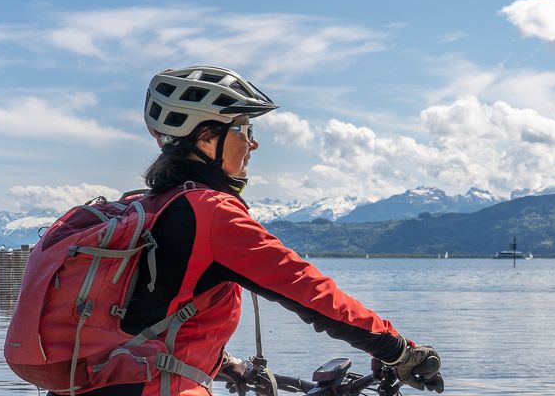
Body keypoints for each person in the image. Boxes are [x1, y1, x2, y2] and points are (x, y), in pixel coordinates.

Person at [65, 66, 443, 395]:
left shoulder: (153, 206)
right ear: (206, 138)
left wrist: (223, 361)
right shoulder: (210, 212)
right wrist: (398, 350)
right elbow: (307, 289)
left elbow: (142, 314)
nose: (254, 143)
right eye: (244, 128)